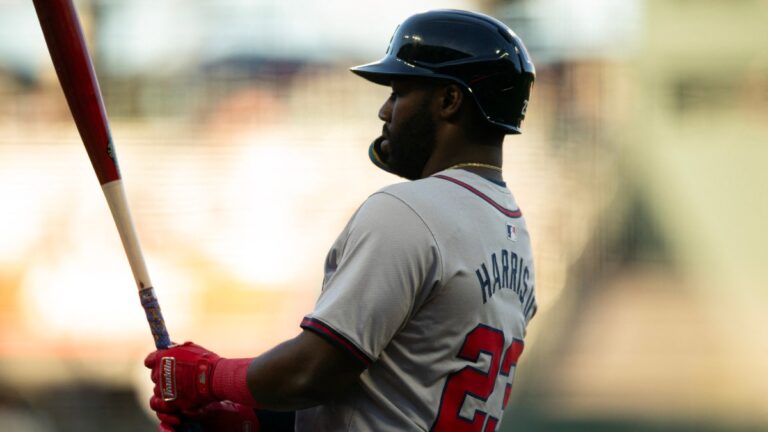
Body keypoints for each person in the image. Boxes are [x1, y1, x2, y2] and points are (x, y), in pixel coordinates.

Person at [145, 9, 537, 432]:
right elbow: (400, 394)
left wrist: (208, 377)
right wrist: (253, 420)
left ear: (448, 101)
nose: (386, 111)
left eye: (400, 92)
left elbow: (311, 372)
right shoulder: (514, 234)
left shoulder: (410, 211)